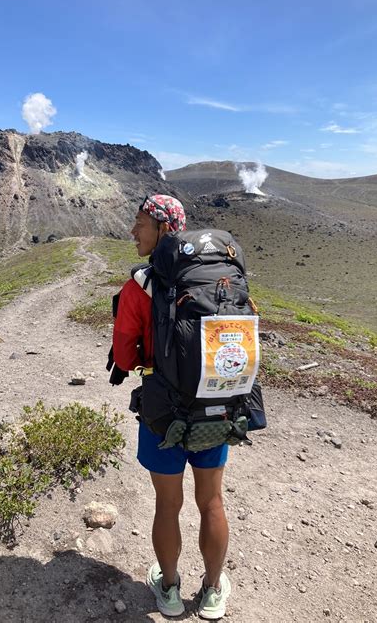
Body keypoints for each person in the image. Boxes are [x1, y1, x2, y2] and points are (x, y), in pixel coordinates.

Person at [112, 194, 231, 620]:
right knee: (212, 501)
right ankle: (214, 591)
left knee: (168, 505)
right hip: (216, 411)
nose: (132, 231)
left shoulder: (139, 286)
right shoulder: (218, 279)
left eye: (140, 223)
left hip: (162, 414)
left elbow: (124, 360)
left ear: (163, 229)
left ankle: (169, 589)